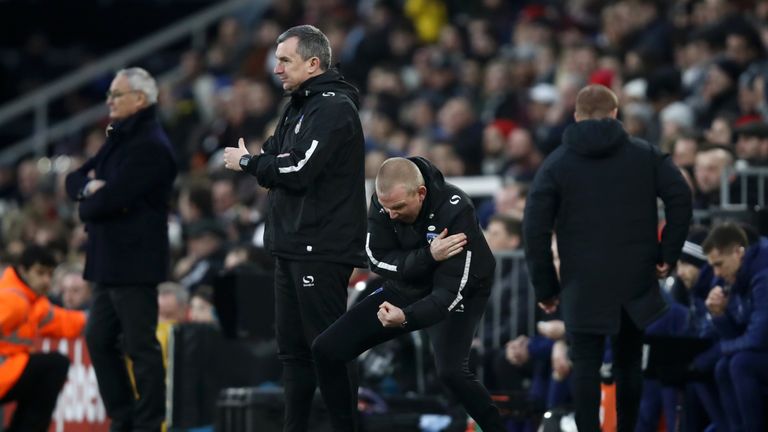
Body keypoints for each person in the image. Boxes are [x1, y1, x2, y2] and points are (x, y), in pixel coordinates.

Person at [523, 84, 692, 432]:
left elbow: (534, 228)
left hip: (581, 283)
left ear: (576, 116)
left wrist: (546, 286)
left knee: (584, 362)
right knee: (629, 362)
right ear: (616, 113)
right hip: (635, 278)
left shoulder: (556, 163)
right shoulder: (645, 154)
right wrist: (667, 254)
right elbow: (681, 198)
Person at [222, 25, 366, 432]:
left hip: (320, 247)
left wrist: (250, 164)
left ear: (314, 63)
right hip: (290, 244)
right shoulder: (299, 106)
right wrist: (263, 164)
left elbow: (297, 169)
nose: (277, 68)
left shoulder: (334, 108)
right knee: (294, 354)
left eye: (285, 60)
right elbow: (275, 159)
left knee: (329, 350)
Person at [311, 157, 505, 432]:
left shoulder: (456, 209)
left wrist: (405, 318)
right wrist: (428, 256)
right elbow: (377, 259)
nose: (390, 215)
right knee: (326, 349)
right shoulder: (384, 202)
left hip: (463, 288)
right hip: (409, 282)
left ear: (421, 193)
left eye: (399, 207)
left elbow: (447, 294)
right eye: (386, 208)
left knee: (451, 372)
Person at [65, 67, 177, 432]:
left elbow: (110, 199)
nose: (109, 100)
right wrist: (89, 191)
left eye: (117, 94)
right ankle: (123, 416)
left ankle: (147, 423)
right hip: (106, 261)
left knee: (139, 346)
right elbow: (74, 178)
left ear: (140, 100)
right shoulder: (119, 138)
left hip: (134, 263)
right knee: (98, 339)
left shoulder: (151, 146)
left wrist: (91, 197)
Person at [0, 245, 87, 432]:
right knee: (54, 366)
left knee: (49, 366)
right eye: (40, 273)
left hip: (9, 374)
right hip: (5, 373)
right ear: (23, 271)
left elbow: (63, 321)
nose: (46, 281)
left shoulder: (33, 302)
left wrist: (96, 318)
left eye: (49, 274)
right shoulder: (14, 301)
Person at [704, 222, 768, 431]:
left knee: (740, 363)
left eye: (719, 264)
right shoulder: (737, 276)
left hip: (761, 348)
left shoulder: (763, 275)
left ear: (738, 252)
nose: (716, 273)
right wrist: (720, 314)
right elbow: (739, 333)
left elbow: (757, 338)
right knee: (723, 366)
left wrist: (722, 348)